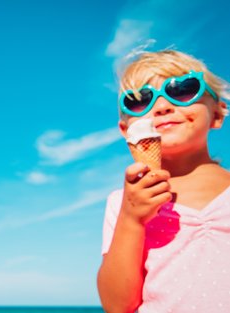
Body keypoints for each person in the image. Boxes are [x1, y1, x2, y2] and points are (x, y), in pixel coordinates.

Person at [97, 49, 230, 312]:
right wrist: (131, 219)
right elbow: (116, 304)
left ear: (217, 113)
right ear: (126, 130)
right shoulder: (124, 203)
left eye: (183, 90)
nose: (162, 106)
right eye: (139, 101)